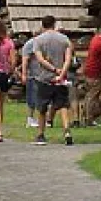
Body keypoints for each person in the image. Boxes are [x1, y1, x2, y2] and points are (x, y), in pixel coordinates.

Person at [33, 15, 74, 146]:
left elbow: (40, 59)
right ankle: (67, 131)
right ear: (54, 24)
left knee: (42, 107)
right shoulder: (64, 39)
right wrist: (62, 73)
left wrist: (54, 70)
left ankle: (40, 134)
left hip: (44, 78)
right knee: (62, 105)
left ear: (43, 25)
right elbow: (68, 59)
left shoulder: (38, 40)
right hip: (61, 79)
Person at [21, 35, 40, 128]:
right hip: (32, 75)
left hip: (41, 75)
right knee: (32, 98)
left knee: (39, 97)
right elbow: (25, 60)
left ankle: (37, 119)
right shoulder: (30, 44)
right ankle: (30, 118)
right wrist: (24, 74)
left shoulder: (41, 43)